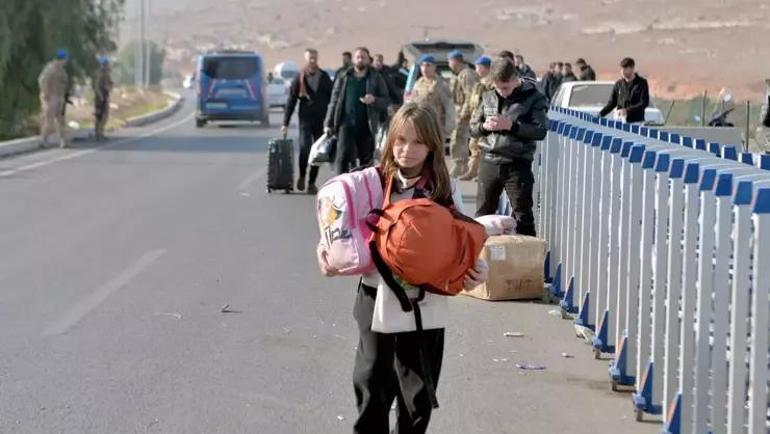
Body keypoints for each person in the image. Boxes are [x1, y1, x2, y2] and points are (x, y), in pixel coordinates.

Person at [317, 102, 488, 434]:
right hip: (375, 293)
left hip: (425, 301)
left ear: (432, 146)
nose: (407, 151)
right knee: (371, 382)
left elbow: (460, 243)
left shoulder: (444, 190)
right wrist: (325, 259)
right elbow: (335, 232)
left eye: (417, 142)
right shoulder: (368, 184)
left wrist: (474, 271)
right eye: (401, 140)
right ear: (390, 140)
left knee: (418, 393)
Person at [470, 58, 548, 236]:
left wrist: (512, 126)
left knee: (522, 216)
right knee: (483, 215)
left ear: (515, 79)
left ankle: (525, 261)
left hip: (516, 163)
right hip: (489, 161)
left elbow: (540, 131)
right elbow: (472, 129)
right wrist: (484, 127)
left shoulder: (533, 98)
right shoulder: (488, 96)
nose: (502, 93)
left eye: (505, 87)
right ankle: (480, 258)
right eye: (498, 88)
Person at [324, 47, 390, 174]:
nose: (360, 60)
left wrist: (374, 100)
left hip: (367, 125)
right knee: (342, 157)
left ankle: (364, 188)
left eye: (363, 57)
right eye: (358, 57)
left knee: (366, 161)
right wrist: (328, 123)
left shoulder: (375, 77)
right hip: (345, 124)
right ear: (353, 59)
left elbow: (386, 100)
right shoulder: (344, 77)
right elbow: (334, 101)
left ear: (368, 60)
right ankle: (340, 186)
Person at [282, 48, 334, 194]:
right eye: (310, 58)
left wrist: (332, 120)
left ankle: (312, 182)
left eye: (315, 58)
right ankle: (302, 175)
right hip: (305, 119)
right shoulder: (299, 78)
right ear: (306, 59)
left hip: (321, 120)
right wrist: (285, 123)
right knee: (305, 148)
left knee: (317, 152)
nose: (313, 61)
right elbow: (291, 101)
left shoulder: (324, 77)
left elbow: (333, 99)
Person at [409, 55, 456, 148]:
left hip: (435, 128)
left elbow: (449, 108)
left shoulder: (441, 85)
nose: (424, 68)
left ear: (434, 67)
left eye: (428, 65)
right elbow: (411, 103)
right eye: (422, 65)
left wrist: (448, 130)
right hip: (419, 127)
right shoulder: (418, 83)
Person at [459, 55, 493, 181]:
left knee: (482, 147)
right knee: (473, 146)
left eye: (479, 67)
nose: (477, 69)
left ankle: (481, 173)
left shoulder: (490, 84)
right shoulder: (479, 83)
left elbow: (490, 104)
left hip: (484, 120)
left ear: (486, 68)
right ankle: (472, 170)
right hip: (476, 119)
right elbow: (472, 101)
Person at [447, 50, 480, 177]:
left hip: (466, 113)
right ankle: (461, 165)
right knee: (459, 139)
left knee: (458, 139)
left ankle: (460, 165)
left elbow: (470, 96)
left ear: (456, 60)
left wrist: (463, 114)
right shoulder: (458, 74)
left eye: (450, 61)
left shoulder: (466, 74)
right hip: (459, 110)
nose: (449, 63)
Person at [599, 57, 650, 124]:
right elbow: (611, 103)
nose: (622, 71)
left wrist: (628, 110)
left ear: (632, 68)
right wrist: (600, 114)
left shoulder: (641, 83)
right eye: (622, 69)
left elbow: (644, 102)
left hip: (636, 122)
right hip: (619, 121)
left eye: (625, 69)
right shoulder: (618, 84)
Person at [38, 49, 70, 148]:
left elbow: (64, 83)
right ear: (62, 59)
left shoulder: (61, 69)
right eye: (66, 59)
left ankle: (63, 141)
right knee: (49, 120)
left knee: (60, 120)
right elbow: (42, 81)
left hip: (59, 97)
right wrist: (45, 94)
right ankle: (43, 140)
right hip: (51, 97)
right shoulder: (51, 68)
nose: (67, 61)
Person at [93, 56, 114, 141]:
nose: (108, 65)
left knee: (104, 115)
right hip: (100, 97)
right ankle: (98, 133)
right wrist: (101, 96)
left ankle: (100, 132)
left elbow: (110, 84)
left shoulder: (106, 74)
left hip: (105, 96)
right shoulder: (100, 74)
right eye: (107, 64)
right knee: (100, 116)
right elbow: (97, 86)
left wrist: (110, 87)